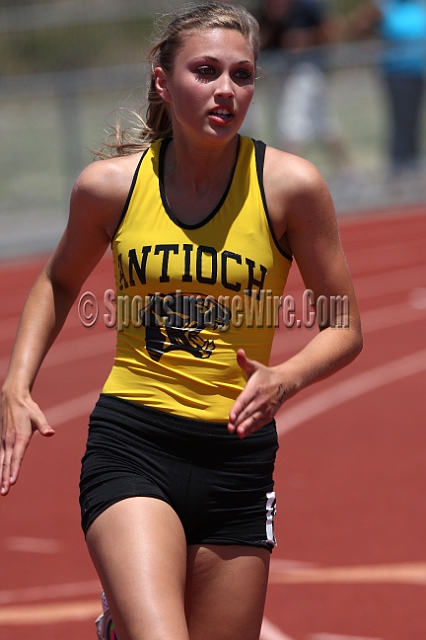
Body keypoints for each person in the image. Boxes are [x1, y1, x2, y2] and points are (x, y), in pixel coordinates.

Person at [0, 3, 362, 640]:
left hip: (239, 459)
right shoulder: (111, 188)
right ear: (165, 82)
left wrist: (286, 378)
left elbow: (343, 323)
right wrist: (16, 385)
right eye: (206, 71)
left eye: (242, 75)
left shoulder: (291, 187)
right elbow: (59, 281)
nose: (226, 90)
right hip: (134, 442)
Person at [258, 0, 350, 172]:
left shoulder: (307, 6)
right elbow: (263, 40)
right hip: (281, 75)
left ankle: (288, 180)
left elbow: (332, 31)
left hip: (307, 71)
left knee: (291, 126)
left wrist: (306, 38)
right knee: (324, 127)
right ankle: (347, 173)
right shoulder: (266, 9)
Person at [348, 0, 426, 174]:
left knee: (413, 121)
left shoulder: (417, 6)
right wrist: (372, 45)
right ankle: (398, 167)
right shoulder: (386, 6)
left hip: (417, 72)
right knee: (400, 121)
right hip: (396, 74)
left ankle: (412, 165)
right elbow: (358, 25)